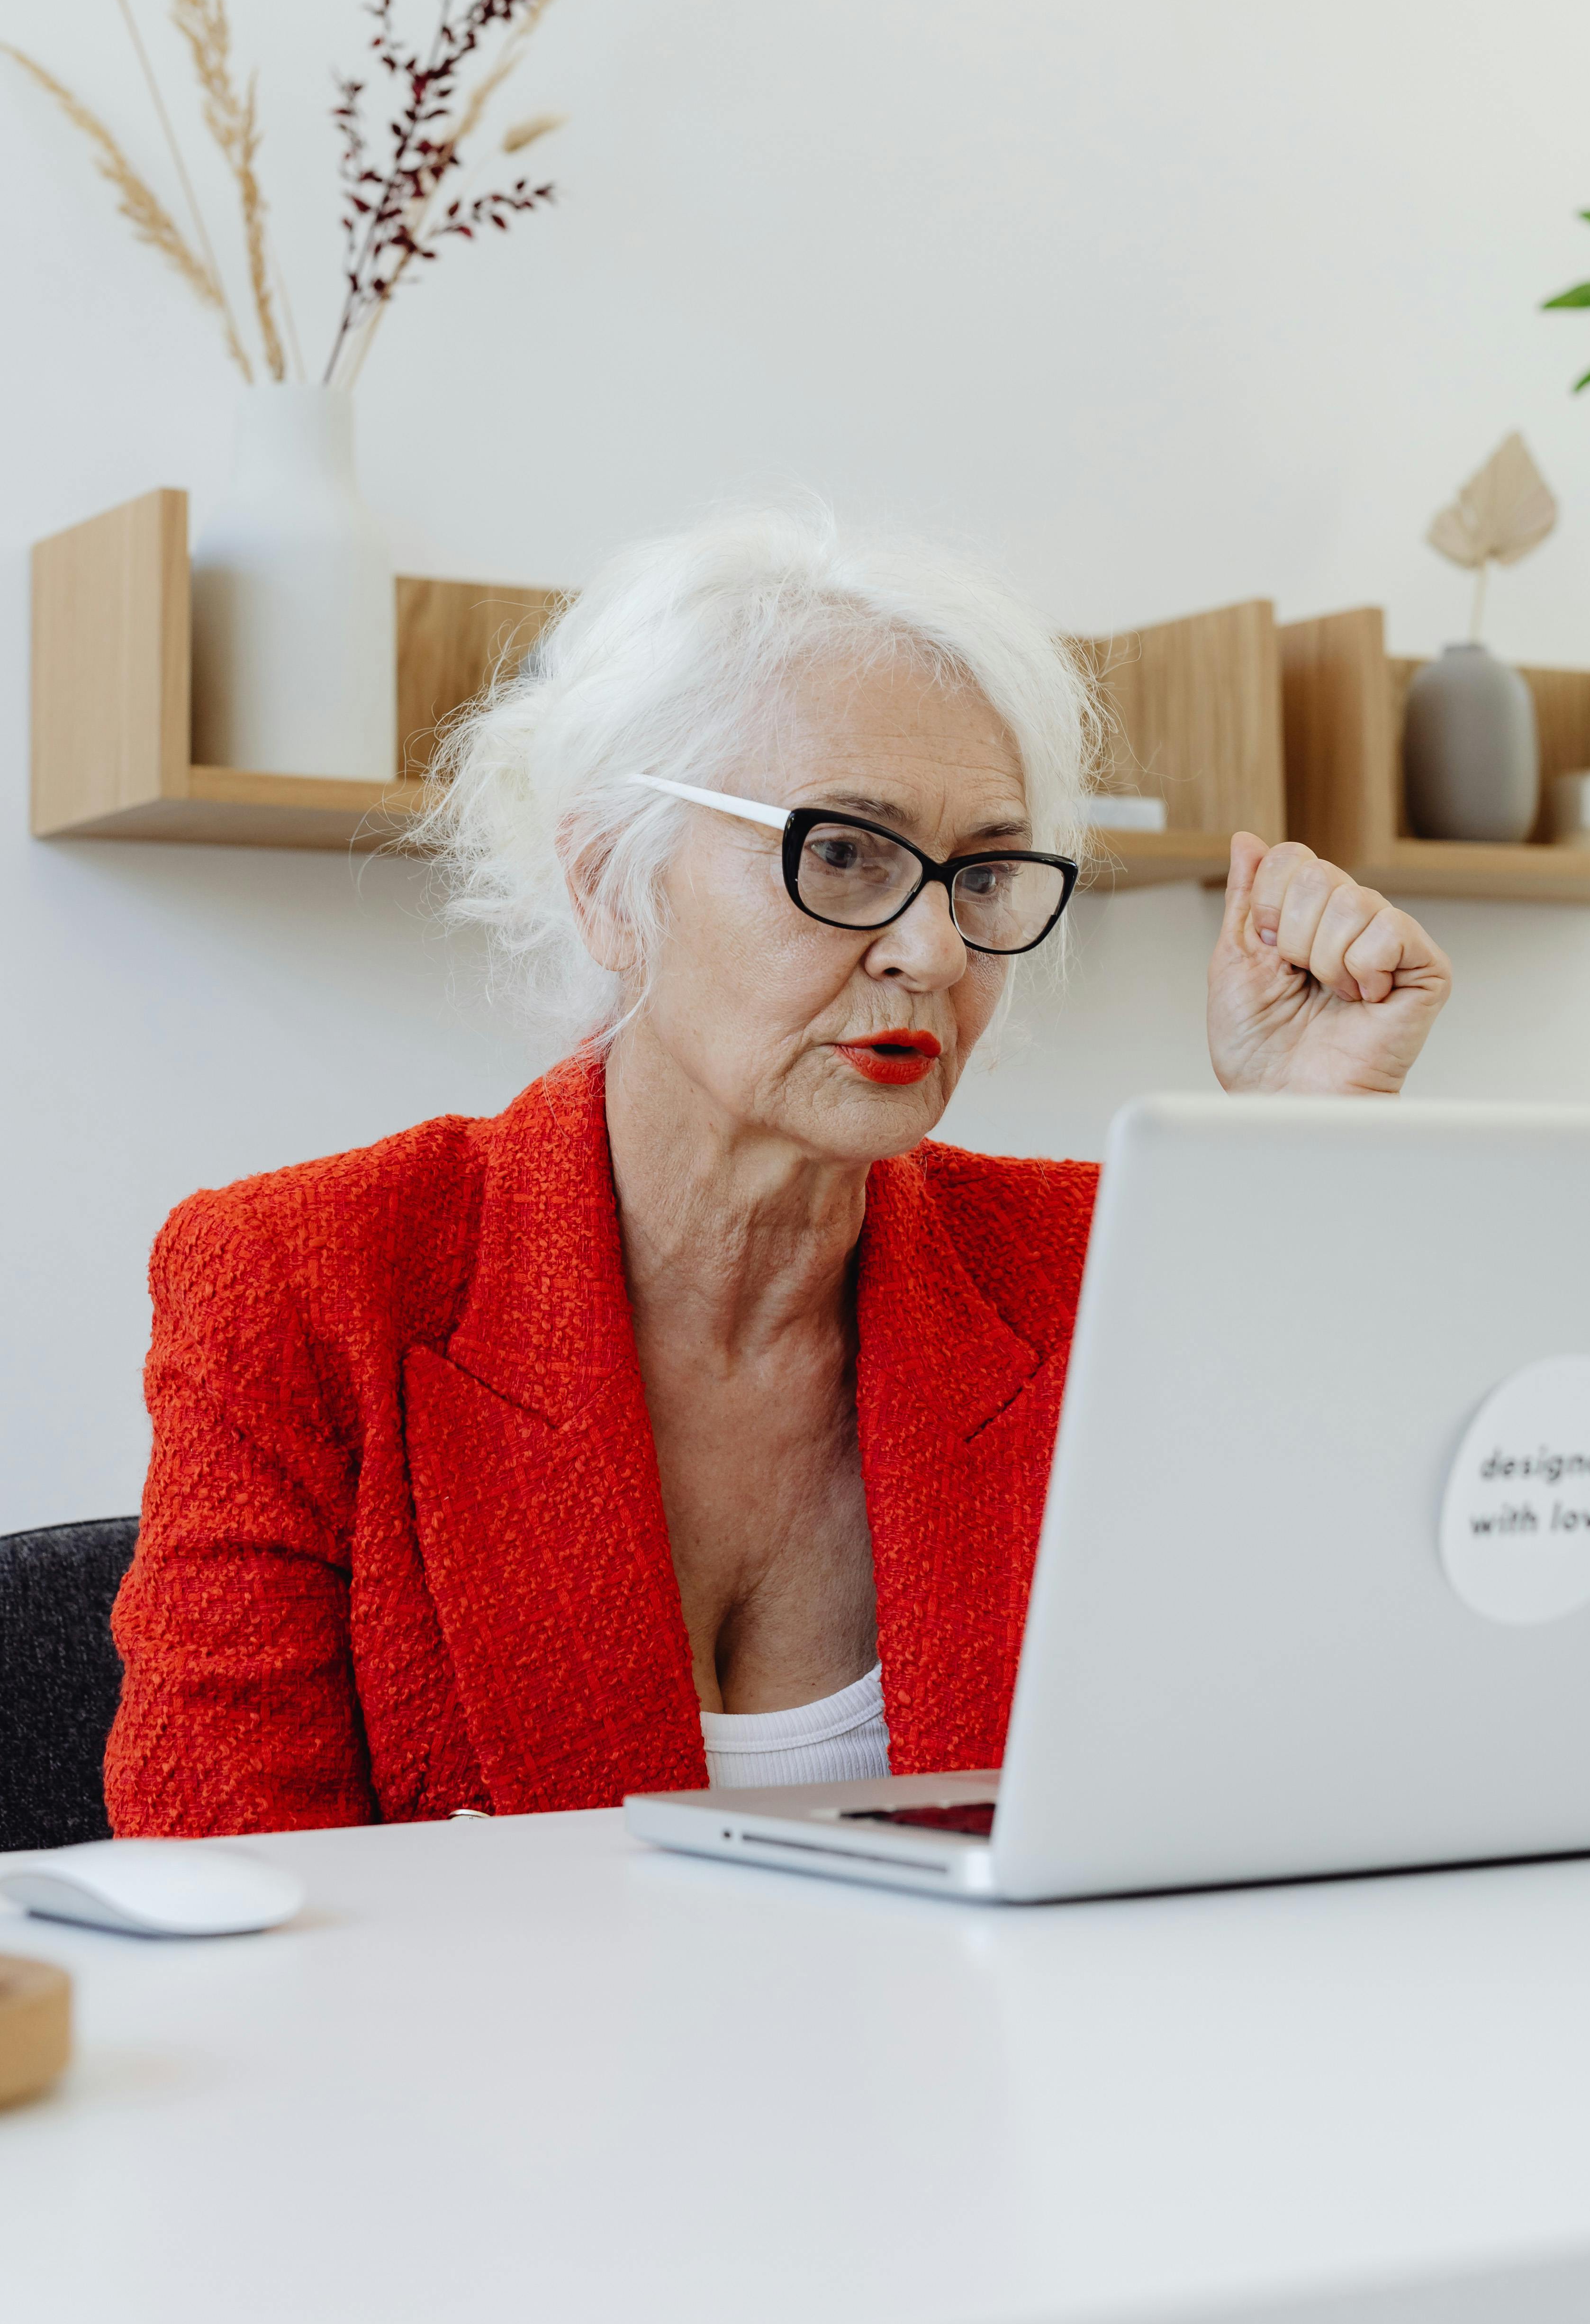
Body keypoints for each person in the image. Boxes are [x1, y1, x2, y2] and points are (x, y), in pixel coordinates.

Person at [106, 506, 1450, 1833]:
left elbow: (1321, 1749)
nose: (932, 951)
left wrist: (1298, 1155)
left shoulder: (1104, 1271)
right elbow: (220, 1902)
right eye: (846, 853)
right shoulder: (300, 1283)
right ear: (607, 884)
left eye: (981, 873)